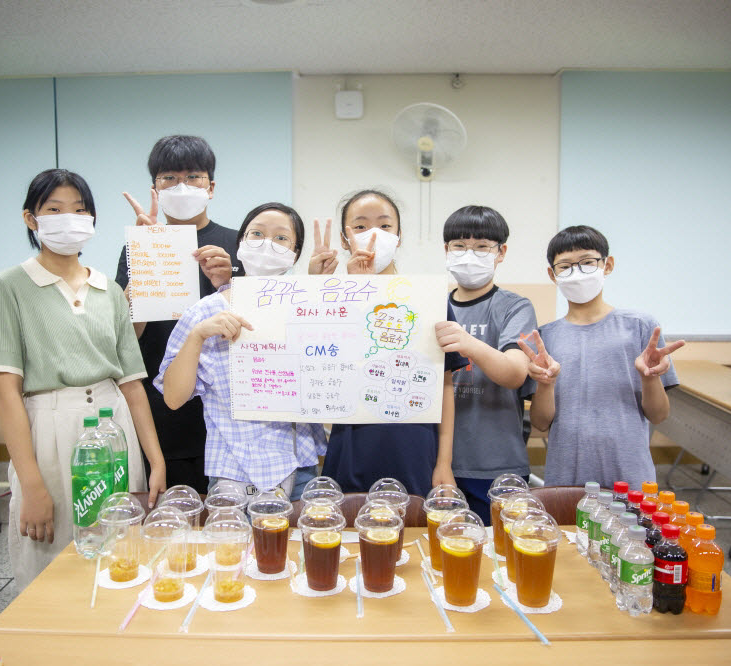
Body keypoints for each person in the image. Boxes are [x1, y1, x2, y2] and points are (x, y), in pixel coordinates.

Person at [0, 169, 165, 589]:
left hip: (115, 424)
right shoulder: (9, 286)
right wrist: (30, 486)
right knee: (49, 550)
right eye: (55, 209)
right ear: (32, 219)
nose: (69, 219)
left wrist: (156, 460)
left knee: (120, 547)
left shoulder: (109, 290)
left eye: (80, 210)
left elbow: (133, 384)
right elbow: (6, 392)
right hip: (50, 424)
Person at [158, 203, 325, 497]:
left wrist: (321, 289)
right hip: (232, 471)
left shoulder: (308, 308)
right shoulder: (204, 312)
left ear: (295, 253)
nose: (266, 244)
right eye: (257, 234)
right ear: (241, 243)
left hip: (298, 469)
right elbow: (173, 398)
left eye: (281, 238)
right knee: (232, 545)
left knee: (295, 544)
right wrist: (197, 336)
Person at [309, 189, 468, 497]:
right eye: (360, 226)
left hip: (415, 445)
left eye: (384, 226)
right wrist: (325, 289)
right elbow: (315, 367)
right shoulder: (332, 299)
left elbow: (445, 386)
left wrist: (444, 462)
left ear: (398, 236)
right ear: (344, 239)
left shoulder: (428, 299)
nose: (373, 235)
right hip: (351, 445)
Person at [114, 136, 242, 495]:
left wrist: (232, 280)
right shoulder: (136, 247)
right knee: (173, 521)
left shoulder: (238, 244)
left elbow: (259, 329)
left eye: (193, 177)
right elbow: (128, 336)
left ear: (211, 186)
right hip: (164, 410)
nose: (181, 186)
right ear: (154, 187)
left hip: (229, 416)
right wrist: (143, 268)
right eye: (168, 178)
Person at [520, 224, 685, 489]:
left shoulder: (640, 327)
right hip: (566, 475)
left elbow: (659, 415)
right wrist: (546, 384)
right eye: (565, 266)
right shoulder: (545, 337)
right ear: (552, 274)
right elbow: (540, 422)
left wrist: (650, 378)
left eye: (587, 262)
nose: (577, 272)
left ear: (607, 265)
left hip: (628, 473)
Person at [433, 206, 537, 523]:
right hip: (439, 463)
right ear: (446, 251)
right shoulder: (432, 304)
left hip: (497, 463)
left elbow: (515, 373)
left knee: (502, 557)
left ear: (500, 252)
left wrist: (468, 343)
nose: (469, 255)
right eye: (460, 246)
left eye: (482, 247)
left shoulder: (515, 307)